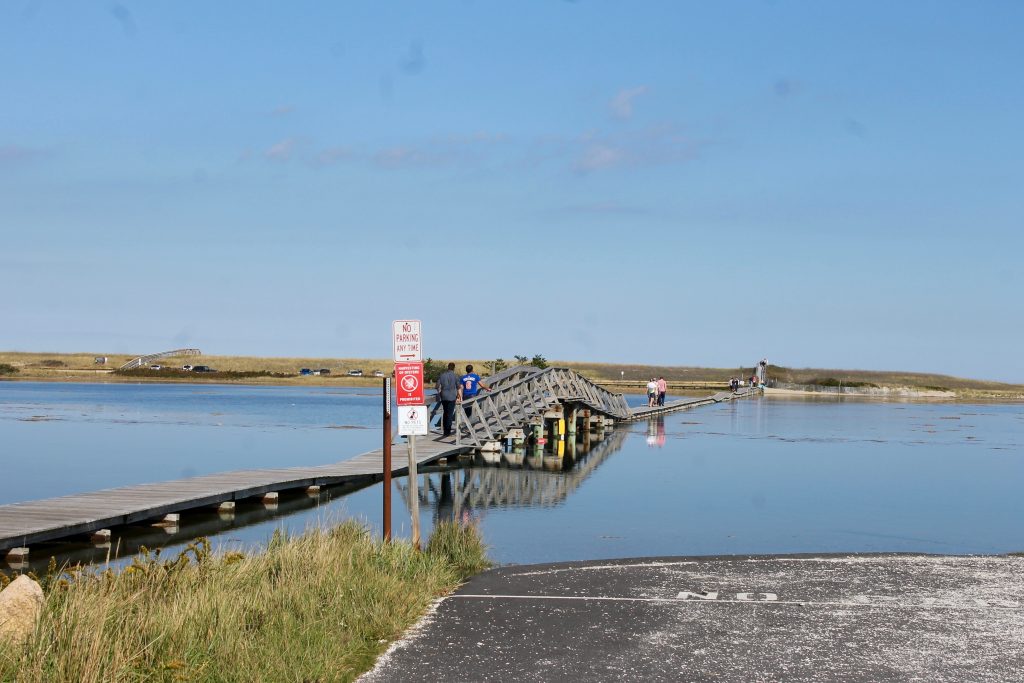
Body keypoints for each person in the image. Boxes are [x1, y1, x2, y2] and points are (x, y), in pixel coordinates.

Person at [435, 362, 460, 438]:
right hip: (452, 396)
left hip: (444, 396)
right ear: (454, 368)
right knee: (450, 414)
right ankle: (447, 431)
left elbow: (437, 386)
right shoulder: (455, 376)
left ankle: (445, 430)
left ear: (448, 367)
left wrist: (439, 392)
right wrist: (459, 395)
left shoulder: (442, 375)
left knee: (445, 412)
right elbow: (458, 386)